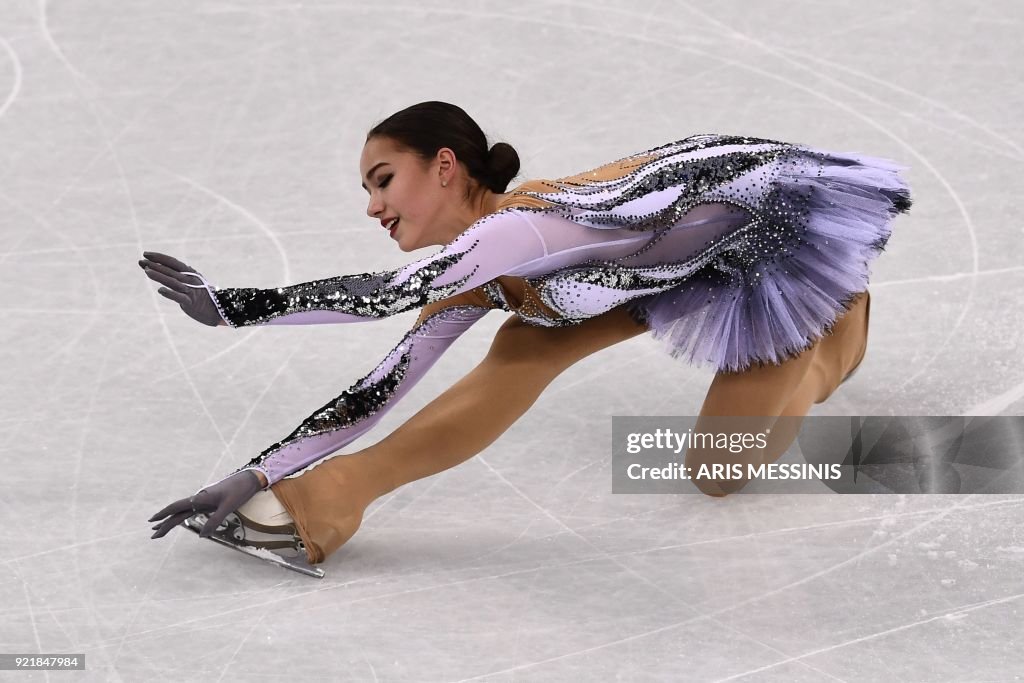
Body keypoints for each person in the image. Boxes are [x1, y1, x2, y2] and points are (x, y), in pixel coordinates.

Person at [143, 101, 910, 566]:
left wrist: (235, 305)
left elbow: (384, 294)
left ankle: (833, 333)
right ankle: (331, 497)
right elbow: (379, 388)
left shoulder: (516, 235)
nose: (373, 206)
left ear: (445, 167)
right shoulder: (476, 270)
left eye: (383, 178)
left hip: (768, 229)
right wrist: (255, 474)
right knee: (522, 353)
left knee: (719, 468)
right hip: (661, 263)